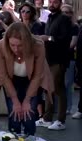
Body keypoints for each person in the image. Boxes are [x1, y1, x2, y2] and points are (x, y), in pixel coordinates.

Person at [0, 22, 54, 136]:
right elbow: (4, 75)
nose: (16, 49)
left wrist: (27, 100)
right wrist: (15, 101)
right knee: (14, 113)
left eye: (20, 45)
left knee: (28, 115)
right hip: (11, 80)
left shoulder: (38, 45)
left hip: (32, 80)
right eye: (12, 45)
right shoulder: (0, 45)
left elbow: (37, 76)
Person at [36, 0, 72, 131]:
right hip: (48, 59)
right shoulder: (50, 17)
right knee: (48, 88)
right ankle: (47, 118)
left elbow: (65, 39)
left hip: (59, 59)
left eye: (55, 2)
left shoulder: (64, 19)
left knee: (58, 89)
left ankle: (61, 120)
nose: (52, 4)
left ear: (60, 3)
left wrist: (48, 38)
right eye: (50, 1)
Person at [60, 4, 78, 115]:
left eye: (68, 12)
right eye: (64, 12)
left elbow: (73, 43)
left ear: (71, 14)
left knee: (67, 84)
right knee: (57, 84)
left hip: (69, 59)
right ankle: (58, 107)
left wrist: (60, 47)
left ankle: (68, 107)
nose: (66, 14)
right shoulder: (57, 25)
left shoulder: (74, 26)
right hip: (56, 59)